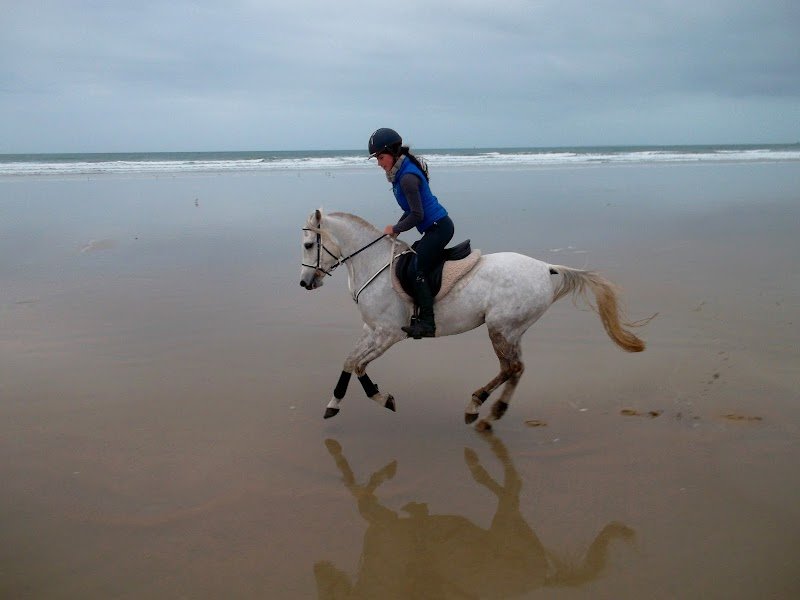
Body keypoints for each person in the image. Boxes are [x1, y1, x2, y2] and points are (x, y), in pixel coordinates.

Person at [368, 127, 454, 339]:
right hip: (433, 227)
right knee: (412, 258)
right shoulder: (400, 174)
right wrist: (395, 232)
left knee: (417, 269)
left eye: (381, 157)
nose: (379, 163)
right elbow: (409, 211)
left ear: (393, 153)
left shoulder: (406, 178)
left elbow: (417, 214)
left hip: (440, 228)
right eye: (377, 159)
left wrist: (396, 229)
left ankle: (428, 323)